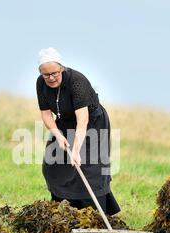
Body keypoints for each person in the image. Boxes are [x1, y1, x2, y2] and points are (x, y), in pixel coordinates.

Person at [36, 47, 120, 215]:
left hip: (92, 122)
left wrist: (75, 150)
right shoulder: (41, 84)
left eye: (55, 73)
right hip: (64, 123)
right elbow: (46, 114)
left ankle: (95, 212)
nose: (51, 78)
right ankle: (63, 206)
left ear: (62, 68)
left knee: (90, 165)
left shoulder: (77, 81)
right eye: (47, 75)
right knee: (54, 163)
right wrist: (58, 136)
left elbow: (83, 120)